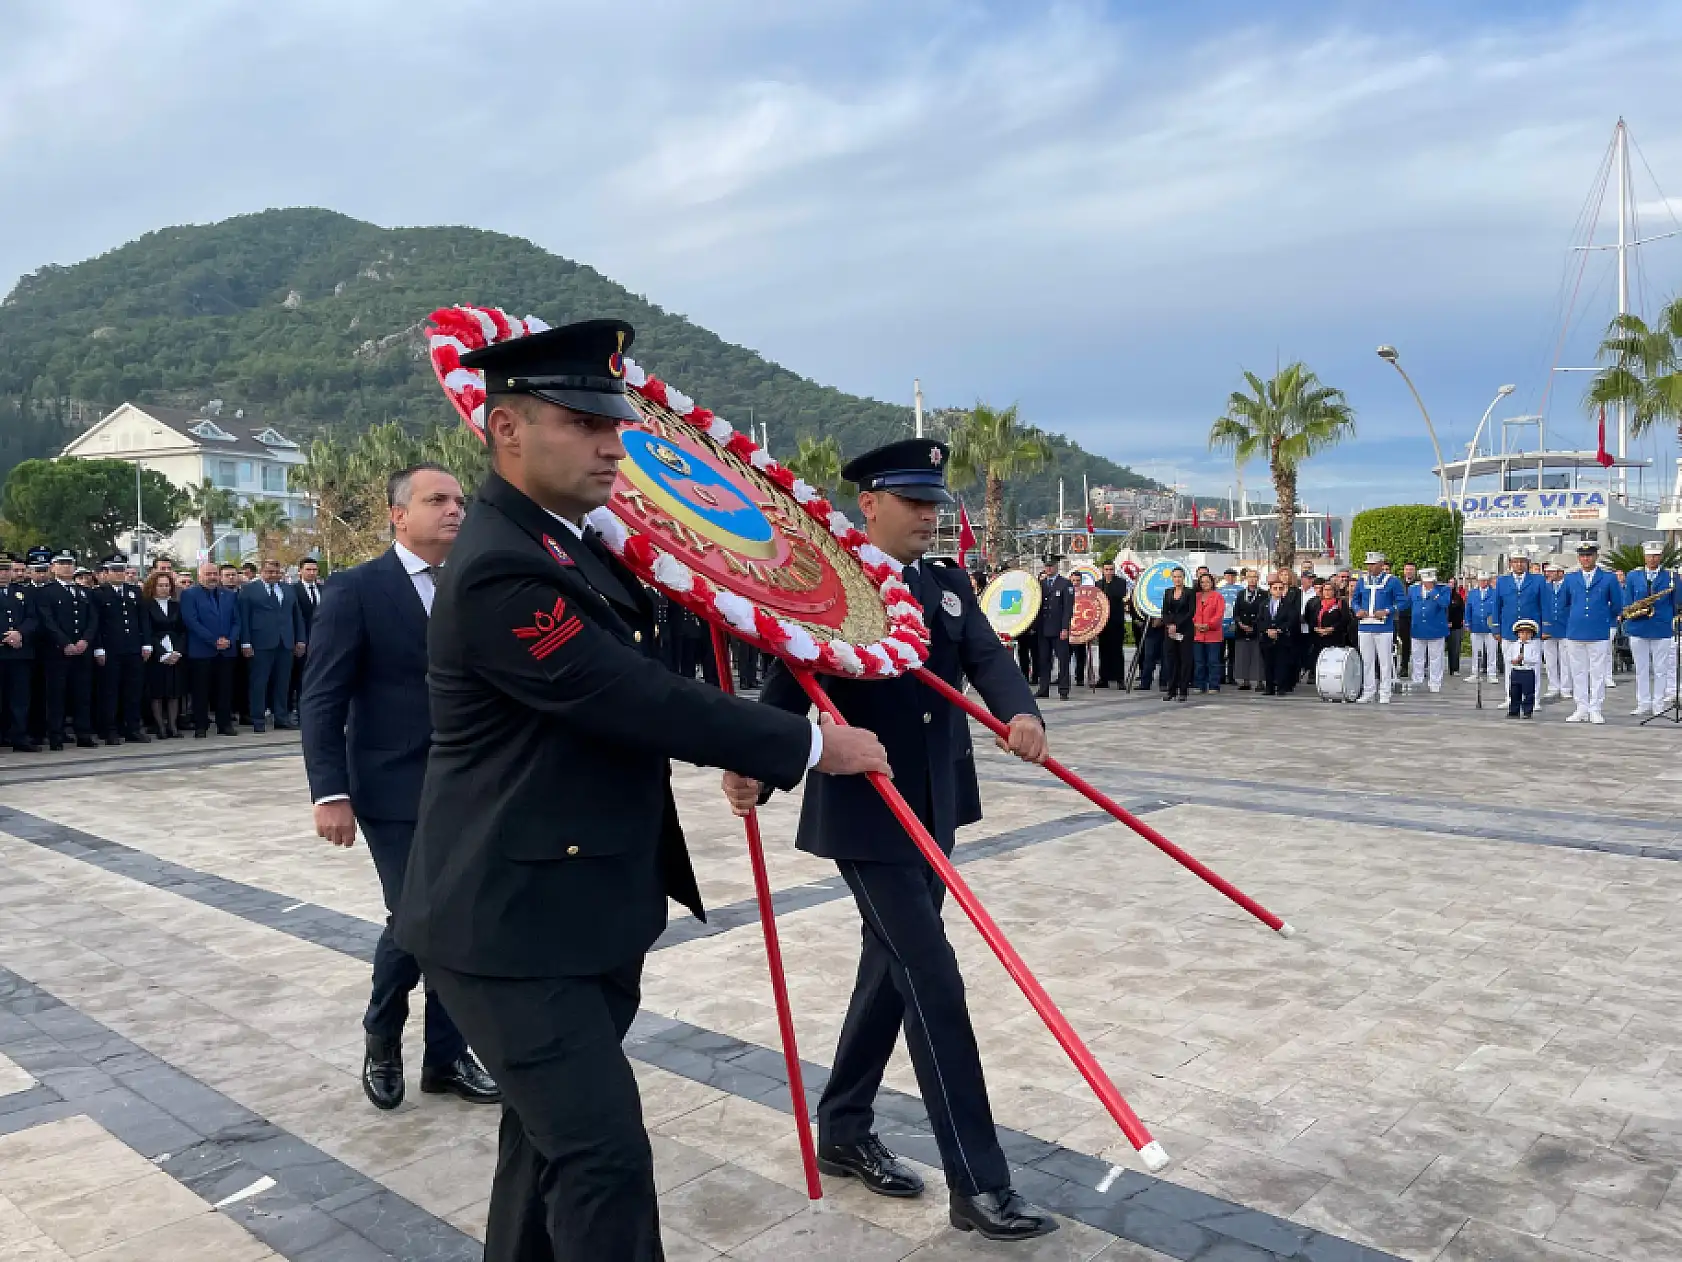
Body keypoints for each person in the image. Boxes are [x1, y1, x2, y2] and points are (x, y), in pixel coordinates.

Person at [393, 318, 889, 1262]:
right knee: (604, 1161)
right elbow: (626, 694)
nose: (613, 446)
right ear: (506, 428)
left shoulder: (569, 544)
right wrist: (806, 741)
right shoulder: (500, 566)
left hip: (573, 910)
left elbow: (649, 676)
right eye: (583, 423)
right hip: (508, 927)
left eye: (614, 424)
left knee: (544, 1151)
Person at [731, 437, 1058, 1242]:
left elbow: (987, 656)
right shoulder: (831, 587)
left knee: (889, 972)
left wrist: (1022, 712)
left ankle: (844, 1127)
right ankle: (979, 1183)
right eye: (913, 502)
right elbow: (789, 681)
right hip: (866, 815)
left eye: (934, 502)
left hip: (935, 809)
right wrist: (758, 767)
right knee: (932, 978)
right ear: (868, 504)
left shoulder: (946, 584)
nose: (928, 515)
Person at [303, 463, 500, 1113]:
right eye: (436, 499)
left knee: (463, 918)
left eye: (459, 500)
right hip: (393, 786)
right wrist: (329, 792)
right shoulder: (357, 589)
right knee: (417, 917)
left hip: (473, 783)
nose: (454, 510)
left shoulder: (475, 585)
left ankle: (445, 1058)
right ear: (398, 515)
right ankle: (382, 1033)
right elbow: (322, 698)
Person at [36, 549, 100, 750]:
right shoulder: (46, 592)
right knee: (56, 696)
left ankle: (83, 734)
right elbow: (47, 621)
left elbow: (93, 619)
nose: (66, 567)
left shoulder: (85, 592)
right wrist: (65, 643)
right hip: (57, 652)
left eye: (70, 563)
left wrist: (85, 640)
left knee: (82, 694)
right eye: (62, 563)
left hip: (82, 651)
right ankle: (56, 736)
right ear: (53, 567)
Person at [237, 558, 306, 732]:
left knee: (283, 682)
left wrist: (300, 639)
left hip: (285, 642)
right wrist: (245, 642)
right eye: (269, 572)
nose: (273, 575)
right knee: (259, 682)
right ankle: (258, 719)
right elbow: (244, 617)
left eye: (276, 572)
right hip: (260, 642)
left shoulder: (288, 589)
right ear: (261, 572)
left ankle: (281, 717)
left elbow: (296, 615)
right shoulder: (249, 589)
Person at [90, 555, 151, 745]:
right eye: (114, 570)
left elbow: (143, 619)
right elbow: (95, 623)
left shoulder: (134, 591)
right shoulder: (99, 593)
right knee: (110, 692)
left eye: (121, 570)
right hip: (110, 649)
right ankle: (110, 730)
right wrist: (98, 647)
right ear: (106, 573)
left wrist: (146, 643)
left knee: (133, 691)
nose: (119, 574)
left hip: (132, 648)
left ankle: (133, 728)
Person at [1558, 542, 1620, 724]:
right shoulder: (1570, 578)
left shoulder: (1608, 578)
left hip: (1598, 630)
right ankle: (1581, 707)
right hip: (1575, 630)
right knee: (1578, 671)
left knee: (1597, 672)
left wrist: (1603, 617)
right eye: (1583, 555)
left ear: (1596, 556)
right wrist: (1573, 618)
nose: (1586, 559)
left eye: (1589, 555)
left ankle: (1595, 708)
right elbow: (1563, 603)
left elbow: (1617, 604)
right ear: (1578, 557)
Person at [182, 560, 242, 737]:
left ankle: (225, 724)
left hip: (226, 651)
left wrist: (229, 640)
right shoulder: (189, 594)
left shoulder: (229, 594)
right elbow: (191, 621)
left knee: (225, 689)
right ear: (199, 576)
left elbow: (237, 621)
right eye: (208, 574)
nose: (212, 577)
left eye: (215, 574)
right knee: (201, 690)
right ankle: (201, 725)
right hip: (202, 650)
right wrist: (214, 640)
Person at [1621, 541, 1677, 717]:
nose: (1653, 559)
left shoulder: (1671, 576)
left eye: (1656, 555)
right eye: (1650, 555)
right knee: (1641, 668)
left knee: (1661, 669)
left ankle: (1658, 704)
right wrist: (1634, 611)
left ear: (1661, 557)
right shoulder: (1633, 576)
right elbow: (1627, 601)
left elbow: (1677, 603)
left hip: (1662, 628)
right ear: (1644, 556)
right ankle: (1643, 703)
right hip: (1638, 626)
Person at [1351, 551, 1407, 704]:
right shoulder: (1362, 581)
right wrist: (1357, 610)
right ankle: (1368, 691)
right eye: (1368, 565)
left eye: (1373, 564)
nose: (1369, 567)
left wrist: (1387, 610)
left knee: (1385, 661)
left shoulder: (1392, 581)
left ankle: (1385, 692)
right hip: (1365, 626)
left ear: (1381, 565)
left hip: (1384, 627)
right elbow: (1355, 600)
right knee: (1367, 661)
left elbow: (1403, 602)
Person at [0, 554, 40, 752]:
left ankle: (19, 736)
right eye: (1, 570)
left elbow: (33, 618)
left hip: (20, 653)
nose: (4, 574)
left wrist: (19, 633)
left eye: (6, 570)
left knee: (20, 698)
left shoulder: (23, 592)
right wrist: (4, 636)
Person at [141, 570, 186, 738]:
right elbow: (147, 631)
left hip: (175, 651)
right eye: (160, 585)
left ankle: (173, 726)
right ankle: (160, 726)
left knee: (174, 691)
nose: (164, 588)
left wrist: (178, 651)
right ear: (153, 587)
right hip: (156, 652)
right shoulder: (147, 606)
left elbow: (183, 631)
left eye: (167, 585)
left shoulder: (176, 605)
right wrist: (162, 653)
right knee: (157, 692)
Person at [1032, 556, 1074, 700]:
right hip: (1043, 628)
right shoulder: (1041, 584)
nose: (1048, 568)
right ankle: (1043, 689)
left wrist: (1065, 628)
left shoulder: (1065, 584)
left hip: (1058, 629)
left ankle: (1063, 690)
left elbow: (1067, 609)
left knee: (1063, 660)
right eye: (1046, 566)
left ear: (1056, 566)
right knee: (1044, 660)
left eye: (1051, 566)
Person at [1494, 555, 1543, 675]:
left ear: (1528, 563)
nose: (1519, 564)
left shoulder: (1538, 580)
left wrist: (1545, 628)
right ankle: (1510, 688)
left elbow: (1544, 604)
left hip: (1532, 629)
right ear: (1510, 563)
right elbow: (1496, 606)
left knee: (1533, 666)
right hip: (1509, 628)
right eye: (1515, 561)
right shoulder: (1502, 581)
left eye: (1522, 561)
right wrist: (1496, 628)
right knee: (1509, 666)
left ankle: (1533, 688)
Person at [289, 556, 324, 721]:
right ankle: (298, 711)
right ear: (300, 571)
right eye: (308, 570)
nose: (311, 573)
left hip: (322, 641)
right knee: (299, 678)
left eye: (314, 570)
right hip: (302, 641)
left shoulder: (324, 589)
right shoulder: (293, 590)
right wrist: (299, 640)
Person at [1407, 568, 1451, 692]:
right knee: (1417, 657)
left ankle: (1435, 683)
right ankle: (1417, 681)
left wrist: (1433, 592)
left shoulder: (1443, 589)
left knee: (1436, 658)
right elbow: (1407, 604)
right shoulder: (1413, 589)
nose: (1428, 583)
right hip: (1418, 628)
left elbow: (1445, 604)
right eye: (1426, 581)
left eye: (1430, 581)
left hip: (1436, 628)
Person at [1259, 576, 1299, 695]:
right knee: (1268, 664)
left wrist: (1278, 630)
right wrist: (1267, 630)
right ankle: (1269, 687)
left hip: (1282, 638)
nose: (1277, 590)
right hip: (1267, 638)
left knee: (1281, 664)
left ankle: (1281, 687)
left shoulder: (1288, 605)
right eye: (1275, 588)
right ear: (1270, 590)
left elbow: (1291, 620)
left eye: (1280, 588)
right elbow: (1260, 620)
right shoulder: (1264, 604)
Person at [1095, 562, 1129, 688]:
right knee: (1103, 651)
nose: (1109, 572)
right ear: (1102, 570)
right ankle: (1103, 678)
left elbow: (1118, 595)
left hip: (1116, 622)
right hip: (1103, 623)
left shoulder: (1121, 582)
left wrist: (1108, 586)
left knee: (1117, 651)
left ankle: (1120, 679)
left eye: (1111, 569)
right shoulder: (1098, 584)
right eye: (1106, 569)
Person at [1540, 561, 1569, 701]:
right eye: (1548, 572)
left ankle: (1566, 687)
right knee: (1550, 660)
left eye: (1552, 572)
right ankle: (1553, 686)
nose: (1549, 574)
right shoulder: (1545, 586)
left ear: (1560, 572)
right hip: (1548, 626)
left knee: (1565, 660)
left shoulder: (1568, 585)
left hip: (1565, 626)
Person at [1232, 569, 1265, 690]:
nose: (1252, 579)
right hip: (1242, 629)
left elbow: (1264, 612)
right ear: (1246, 578)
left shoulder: (1264, 594)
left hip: (1256, 629)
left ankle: (1259, 681)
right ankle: (1244, 681)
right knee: (1243, 656)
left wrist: (1254, 626)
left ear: (1258, 578)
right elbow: (1236, 612)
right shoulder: (1241, 594)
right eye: (1250, 577)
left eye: (1254, 577)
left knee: (1257, 656)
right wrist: (1241, 624)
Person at [1191, 571, 1224, 695]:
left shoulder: (1217, 596)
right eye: (1202, 582)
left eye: (1207, 582)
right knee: (1199, 662)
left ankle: (1214, 685)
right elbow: (1191, 613)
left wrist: (1208, 625)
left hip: (1213, 635)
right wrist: (1195, 624)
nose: (1205, 584)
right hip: (1197, 634)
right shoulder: (1196, 596)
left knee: (1213, 662)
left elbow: (1219, 614)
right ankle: (1200, 684)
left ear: (1212, 583)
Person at [1464, 573, 1499, 684]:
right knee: (1476, 651)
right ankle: (1475, 673)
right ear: (1477, 581)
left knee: (1492, 652)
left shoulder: (1495, 593)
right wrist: (1467, 622)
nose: (1483, 582)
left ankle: (1491, 674)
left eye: (1485, 580)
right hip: (1476, 625)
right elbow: (1468, 608)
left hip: (1491, 627)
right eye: (1481, 580)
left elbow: (1498, 609)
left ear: (1488, 581)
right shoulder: (1472, 593)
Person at [1506, 618, 1542, 719]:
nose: (1524, 635)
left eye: (1527, 633)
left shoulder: (1534, 646)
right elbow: (1508, 656)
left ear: (1531, 634)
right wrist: (1513, 660)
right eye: (1522, 633)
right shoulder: (1514, 645)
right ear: (1518, 634)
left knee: (1528, 693)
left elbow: (1536, 659)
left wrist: (1524, 659)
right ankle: (1514, 711)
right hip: (1516, 671)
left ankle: (1527, 711)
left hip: (1527, 671)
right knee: (1514, 692)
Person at [1395, 561, 1418, 675]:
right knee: (1404, 642)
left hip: (1416, 617)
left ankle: (1420, 668)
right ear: (1404, 571)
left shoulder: (1419, 585)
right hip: (1402, 617)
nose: (1409, 572)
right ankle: (1404, 667)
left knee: (1419, 642)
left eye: (1411, 569)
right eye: (1407, 569)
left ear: (1415, 571)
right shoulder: (1399, 584)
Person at [1217, 568, 1239, 684]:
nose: (1230, 578)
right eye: (1228, 576)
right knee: (1220, 653)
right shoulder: (1219, 590)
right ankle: (1220, 676)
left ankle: (1231, 676)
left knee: (1233, 653)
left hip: (1234, 625)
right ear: (1225, 577)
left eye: (1232, 576)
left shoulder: (1240, 590)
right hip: (1220, 625)